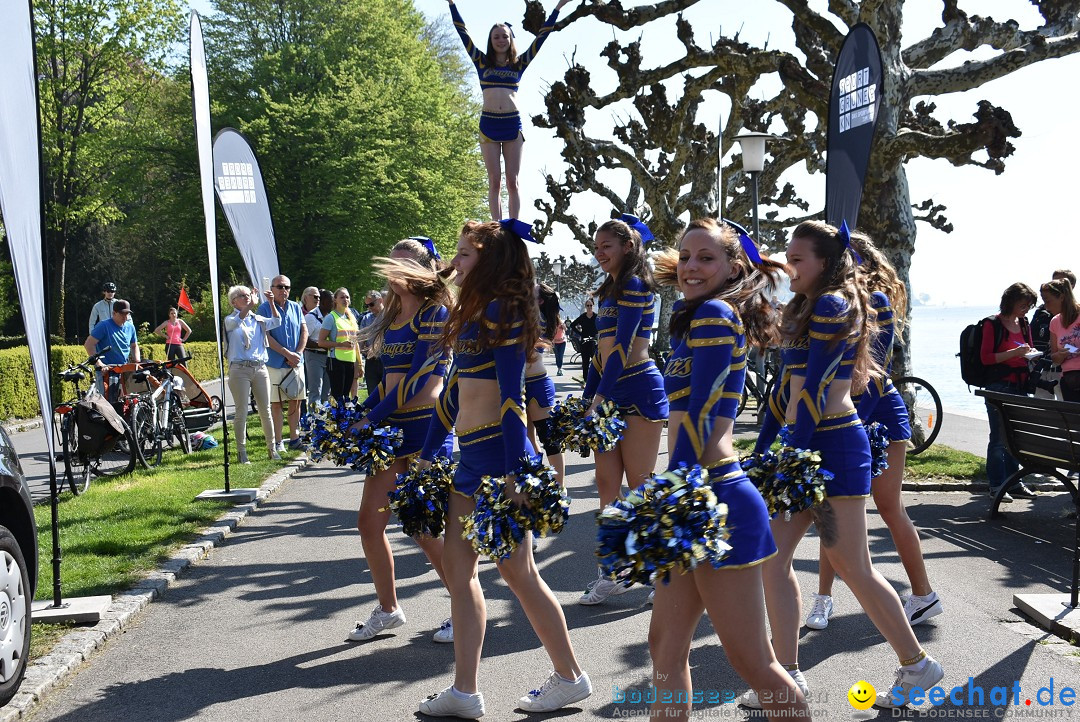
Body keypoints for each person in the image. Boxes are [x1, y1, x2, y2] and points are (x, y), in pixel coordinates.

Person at [749, 220, 943, 709]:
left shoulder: (835, 304)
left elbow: (814, 390)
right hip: (805, 446)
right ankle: (788, 675)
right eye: (787, 257)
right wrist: (765, 450)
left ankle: (917, 664)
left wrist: (791, 452)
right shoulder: (804, 304)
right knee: (773, 561)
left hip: (832, 446)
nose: (787, 266)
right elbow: (785, 391)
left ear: (824, 263)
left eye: (797, 259)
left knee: (853, 567)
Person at [416, 220, 592, 718]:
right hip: (468, 459)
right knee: (458, 569)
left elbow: (513, 399)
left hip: (500, 458)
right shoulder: (472, 309)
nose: (457, 260)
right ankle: (465, 691)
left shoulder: (504, 310)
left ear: (490, 260)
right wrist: (431, 452)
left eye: (465, 253)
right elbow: (453, 391)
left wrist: (518, 474)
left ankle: (570, 676)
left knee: (519, 574)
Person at [647, 218, 808, 720]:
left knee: (752, 661)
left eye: (706, 258)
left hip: (715, 500)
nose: (692, 266)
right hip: (691, 491)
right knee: (664, 650)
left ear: (733, 267)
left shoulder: (715, 314)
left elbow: (703, 413)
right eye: (687, 256)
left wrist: (670, 491)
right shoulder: (697, 315)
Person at [807, 232, 941, 633]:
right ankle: (824, 599)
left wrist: (854, 428)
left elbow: (871, 378)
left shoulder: (875, 303)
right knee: (833, 509)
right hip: (849, 419)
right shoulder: (830, 304)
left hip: (876, 414)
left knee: (886, 506)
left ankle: (923, 595)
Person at [346, 249, 454, 644]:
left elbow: (419, 381)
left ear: (422, 269)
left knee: (426, 528)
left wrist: (369, 419)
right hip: (391, 427)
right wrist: (359, 411)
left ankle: (464, 608)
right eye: (389, 261)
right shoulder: (391, 317)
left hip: (424, 426)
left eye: (400, 262)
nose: (391, 269)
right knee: (369, 524)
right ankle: (389, 609)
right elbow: (389, 383)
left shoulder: (435, 314)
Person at [579, 217, 669, 605]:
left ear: (628, 248)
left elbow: (621, 348)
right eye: (596, 246)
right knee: (605, 482)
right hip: (607, 391)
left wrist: (599, 398)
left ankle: (660, 574)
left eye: (606, 246)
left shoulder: (634, 284)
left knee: (641, 483)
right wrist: (589, 394)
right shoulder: (608, 290)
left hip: (638, 389)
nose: (599, 253)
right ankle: (612, 570)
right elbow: (601, 354)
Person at [447, 0, 573, 220]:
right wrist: (452, 3)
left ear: (510, 39)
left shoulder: (519, 63)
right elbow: (462, 32)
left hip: (512, 124)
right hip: (489, 124)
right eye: (496, 36)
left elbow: (541, 37)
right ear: (490, 41)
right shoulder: (481, 62)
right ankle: (496, 224)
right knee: (494, 180)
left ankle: (513, 225)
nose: (501, 40)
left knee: (512, 181)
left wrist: (558, 8)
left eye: (505, 36)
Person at [980, 282, 1038, 502]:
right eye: (1023, 305)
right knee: (998, 437)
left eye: (1029, 306)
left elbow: (1029, 348)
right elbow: (987, 358)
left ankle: (1014, 482)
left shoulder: (1023, 323)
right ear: (1011, 301)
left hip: (1020, 385)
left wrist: (1030, 354)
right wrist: (1015, 352)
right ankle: (996, 484)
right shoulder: (992, 324)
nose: (1026, 310)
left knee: (1015, 437)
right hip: (999, 385)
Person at [224, 286, 280, 463]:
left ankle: (272, 449)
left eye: (248, 295)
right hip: (239, 368)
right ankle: (242, 452)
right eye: (242, 296)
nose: (247, 298)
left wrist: (271, 302)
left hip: (259, 367)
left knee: (266, 410)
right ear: (234, 301)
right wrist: (250, 305)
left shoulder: (257, 319)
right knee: (241, 411)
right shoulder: (230, 319)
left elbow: (277, 321)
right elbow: (236, 322)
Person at [259, 275, 308, 452]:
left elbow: (304, 331)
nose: (283, 290)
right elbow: (265, 336)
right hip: (275, 362)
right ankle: (278, 441)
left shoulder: (295, 307)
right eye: (279, 287)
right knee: (276, 403)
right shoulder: (264, 308)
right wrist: (286, 353)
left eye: (286, 287)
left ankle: (294, 438)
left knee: (296, 400)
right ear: (271, 289)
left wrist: (298, 353)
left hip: (295, 362)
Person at [525, 283, 565, 486]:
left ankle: (560, 487)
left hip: (537, 385)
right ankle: (540, 481)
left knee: (548, 439)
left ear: (539, 300)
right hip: (522, 386)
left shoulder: (537, 319)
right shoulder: (530, 315)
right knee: (528, 438)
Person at [84, 298, 141, 401]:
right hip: (106, 370)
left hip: (124, 369)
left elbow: (134, 345)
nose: (125, 317)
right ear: (114, 313)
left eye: (127, 314)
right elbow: (89, 345)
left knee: (126, 401)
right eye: (122, 314)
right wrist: (99, 363)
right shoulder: (103, 325)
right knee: (106, 401)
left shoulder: (130, 327)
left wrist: (137, 361)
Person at [1032, 270, 1075, 400]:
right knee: (1044, 410)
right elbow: (1055, 354)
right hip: (1049, 371)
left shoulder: (1075, 315)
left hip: (1068, 375)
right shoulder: (1048, 317)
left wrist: (1071, 350)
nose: (1046, 306)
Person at [318, 288, 360, 404]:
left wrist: (359, 362)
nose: (345, 299)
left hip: (350, 361)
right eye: (342, 297)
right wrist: (340, 344)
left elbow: (356, 343)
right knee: (338, 397)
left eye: (347, 297)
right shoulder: (330, 318)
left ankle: (345, 420)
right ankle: (336, 420)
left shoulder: (351, 318)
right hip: (336, 361)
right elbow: (321, 342)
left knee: (346, 396)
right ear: (335, 300)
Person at [1046, 278, 1080, 403]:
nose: (1046, 306)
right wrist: (1061, 355)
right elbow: (1054, 357)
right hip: (1069, 380)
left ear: (1061, 297)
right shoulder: (1054, 321)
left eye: (1048, 301)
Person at [302, 287, 332, 410]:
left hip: (328, 356)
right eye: (331, 302)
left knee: (327, 391)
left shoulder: (330, 316)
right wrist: (322, 345)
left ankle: (324, 421)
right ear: (324, 302)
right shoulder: (310, 317)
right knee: (316, 390)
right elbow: (304, 340)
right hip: (314, 356)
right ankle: (313, 421)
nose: (333, 304)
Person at [359, 290, 385, 396]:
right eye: (367, 306)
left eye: (371, 304)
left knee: (387, 393)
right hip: (371, 361)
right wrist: (362, 350)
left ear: (380, 300)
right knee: (373, 394)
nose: (369, 308)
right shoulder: (366, 318)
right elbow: (361, 339)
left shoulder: (391, 316)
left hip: (386, 360)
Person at [570, 296, 597, 381]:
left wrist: (598, 333)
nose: (589, 307)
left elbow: (602, 326)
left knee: (596, 362)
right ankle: (585, 380)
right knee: (585, 363)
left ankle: (595, 379)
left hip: (594, 342)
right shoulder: (583, 317)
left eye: (591, 305)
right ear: (585, 307)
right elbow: (572, 325)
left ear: (593, 306)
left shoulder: (596, 317)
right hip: (584, 342)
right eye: (588, 305)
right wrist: (580, 333)